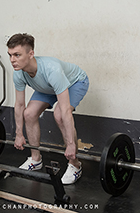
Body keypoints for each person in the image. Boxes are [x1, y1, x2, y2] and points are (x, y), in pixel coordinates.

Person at [6, 33, 89, 184]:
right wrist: (18, 134)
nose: (12, 60)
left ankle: (75, 165)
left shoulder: (52, 69)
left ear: (31, 54)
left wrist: (71, 144)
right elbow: (19, 105)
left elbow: (64, 111)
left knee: (59, 115)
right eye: (10, 55)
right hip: (48, 87)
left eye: (17, 55)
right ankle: (35, 159)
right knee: (29, 113)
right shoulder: (19, 73)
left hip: (74, 83)